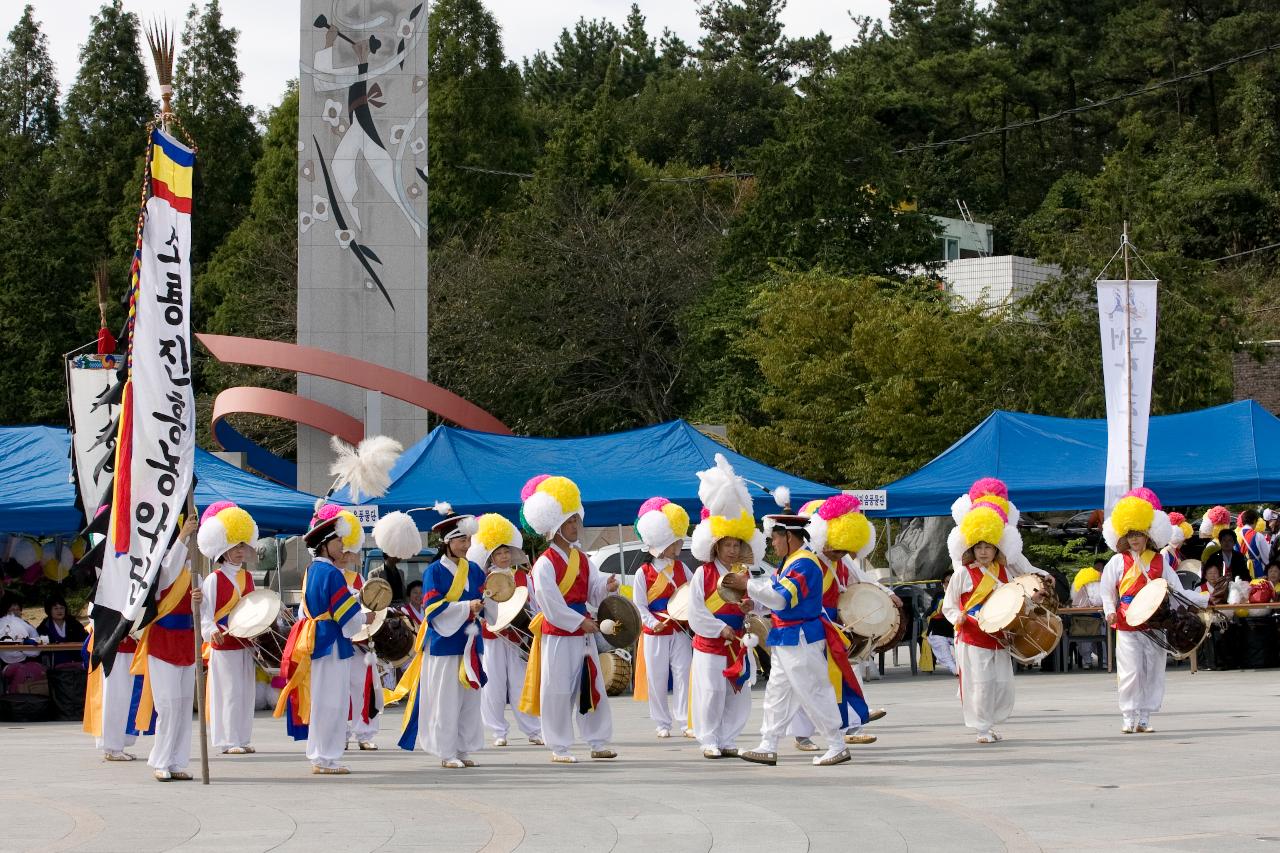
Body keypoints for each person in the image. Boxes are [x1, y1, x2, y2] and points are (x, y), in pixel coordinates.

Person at [726, 499, 850, 768]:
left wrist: (748, 585)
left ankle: (837, 744)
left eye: (775, 538)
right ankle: (768, 744)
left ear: (789, 536)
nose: (772, 544)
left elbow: (781, 600)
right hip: (788, 638)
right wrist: (754, 602)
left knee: (814, 692)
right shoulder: (792, 562)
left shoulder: (803, 564)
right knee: (777, 694)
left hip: (801, 638)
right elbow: (773, 596)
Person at [941, 477, 1052, 744]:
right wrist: (959, 617)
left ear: (996, 547)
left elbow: (1021, 588)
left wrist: (1039, 586)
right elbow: (949, 605)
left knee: (1000, 684)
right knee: (980, 684)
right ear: (971, 548)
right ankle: (981, 728)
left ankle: (988, 723)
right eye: (978, 547)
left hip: (1000, 635)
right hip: (972, 635)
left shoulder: (1005, 571)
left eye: (987, 546)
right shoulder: (962, 574)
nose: (983, 551)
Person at [518, 474, 618, 763]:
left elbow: (593, 588)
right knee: (558, 690)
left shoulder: (582, 558)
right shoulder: (544, 564)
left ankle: (598, 741)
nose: (576, 526)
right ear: (556, 526)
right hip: (560, 635)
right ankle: (559, 746)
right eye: (571, 521)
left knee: (593, 685)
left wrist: (605, 587)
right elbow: (550, 605)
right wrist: (579, 622)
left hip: (583, 632)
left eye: (576, 520)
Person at [274, 505, 373, 774]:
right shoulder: (332, 573)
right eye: (338, 541)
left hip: (317, 640)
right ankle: (325, 757)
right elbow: (347, 618)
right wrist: (366, 618)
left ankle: (321, 755)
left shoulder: (312, 571)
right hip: (331, 643)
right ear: (324, 544)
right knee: (333, 701)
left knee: (322, 701)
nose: (343, 545)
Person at [1100, 488, 1207, 734]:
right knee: (1130, 671)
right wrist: (1109, 610)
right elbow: (1107, 590)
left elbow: (1177, 591)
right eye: (1130, 534)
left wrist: (1201, 600)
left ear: (1148, 534)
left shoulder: (1161, 562)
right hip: (1127, 622)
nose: (1135, 539)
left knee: (1153, 670)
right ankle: (1128, 716)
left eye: (1139, 533)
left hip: (1156, 623)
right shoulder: (1117, 561)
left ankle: (1145, 716)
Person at [786, 496, 890, 749]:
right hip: (812, 624)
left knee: (845, 672)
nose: (842, 552)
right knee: (806, 681)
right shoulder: (806, 559)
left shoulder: (841, 558)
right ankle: (802, 734)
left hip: (837, 623)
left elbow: (862, 580)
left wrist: (888, 596)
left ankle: (853, 722)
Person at [408, 510, 493, 768]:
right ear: (447, 542)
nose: (466, 546)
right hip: (444, 643)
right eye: (461, 541)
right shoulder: (434, 571)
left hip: (470, 642)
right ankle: (446, 752)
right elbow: (432, 609)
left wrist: (491, 600)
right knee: (446, 699)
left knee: (469, 699)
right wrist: (468, 607)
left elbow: (486, 601)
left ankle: (463, 748)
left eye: (468, 540)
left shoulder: (475, 570)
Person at [131, 517, 200, 781]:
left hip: (186, 644)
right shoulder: (157, 572)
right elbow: (170, 570)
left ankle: (176, 761)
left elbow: (203, 613)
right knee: (168, 705)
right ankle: (160, 760)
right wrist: (183, 535)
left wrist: (199, 600)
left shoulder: (195, 575)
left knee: (183, 706)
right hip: (162, 644)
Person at [468, 513, 543, 748]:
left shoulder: (522, 576)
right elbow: (477, 606)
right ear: (491, 555)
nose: (503, 557)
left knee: (522, 682)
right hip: (492, 636)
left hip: (518, 635)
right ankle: (498, 730)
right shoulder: (484, 578)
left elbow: (536, 602)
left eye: (506, 552)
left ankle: (533, 729)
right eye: (498, 553)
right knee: (494, 684)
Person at [197, 501, 260, 755]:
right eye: (235, 547)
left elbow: (256, 608)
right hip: (223, 644)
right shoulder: (214, 579)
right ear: (223, 548)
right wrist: (210, 630)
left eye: (242, 546)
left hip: (245, 642)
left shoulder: (247, 578)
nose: (239, 551)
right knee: (228, 692)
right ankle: (226, 740)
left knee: (245, 691)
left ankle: (242, 738)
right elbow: (205, 614)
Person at [631, 497, 694, 739]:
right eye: (675, 539)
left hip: (678, 629)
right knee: (656, 678)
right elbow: (639, 605)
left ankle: (685, 720)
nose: (679, 543)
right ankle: (662, 723)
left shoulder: (682, 568)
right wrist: (652, 623)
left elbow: (691, 592)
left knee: (683, 673)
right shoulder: (643, 572)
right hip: (655, 632)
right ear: (663, 542)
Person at [332, 519, 381, 752]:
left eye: (349, 551)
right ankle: (340, 734)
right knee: (338, 691)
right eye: (341, 549)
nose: (345, 555)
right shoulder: (324, 574)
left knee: (362, 687)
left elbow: (371, 607)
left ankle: (364, 733)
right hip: (335, 641)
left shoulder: (358, 580)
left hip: (359, 642)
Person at [1069, 560, 1106, 670]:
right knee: (1105, 636)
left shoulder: (1080, 579)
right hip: (1098, 619)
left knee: (1083, 637)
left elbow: (1073, 598)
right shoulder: (1101, 579)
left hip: (1081, 618)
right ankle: (1105, 660)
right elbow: (1100, 601)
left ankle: (1087, 661)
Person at [35, 593, 88, 668]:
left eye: (62, 608)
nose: (59, 611)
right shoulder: (44, 626)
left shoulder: (73, 623)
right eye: (56, 608)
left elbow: (84, 638)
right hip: (54, 666)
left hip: (76, 662)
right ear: (49, 610)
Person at [925, 568, 958, 676]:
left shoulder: (961, 595)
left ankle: (961, 668)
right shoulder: (939, 595)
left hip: (955, 630)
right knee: (943, 650)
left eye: (953, 580)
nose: (950, 584)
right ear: (943, 583)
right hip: (937, 630)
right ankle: (955, 670)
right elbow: (933, 610)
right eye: (947, 581)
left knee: (964, 649)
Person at [1238, 510, 1271, 580]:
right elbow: (1267, 557)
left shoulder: (1235, 534)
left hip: (1240, 572)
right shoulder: (1258, 536)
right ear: (1255, 521)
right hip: (1257, 571)